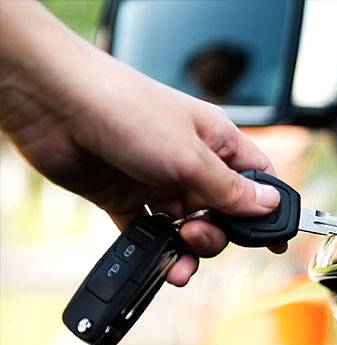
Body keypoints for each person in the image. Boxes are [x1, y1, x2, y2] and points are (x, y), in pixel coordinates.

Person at [0, 1, 286, 287]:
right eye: (205, 68)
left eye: (223, 69)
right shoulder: (171, 117)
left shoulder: (257, 102)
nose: (212, 75)